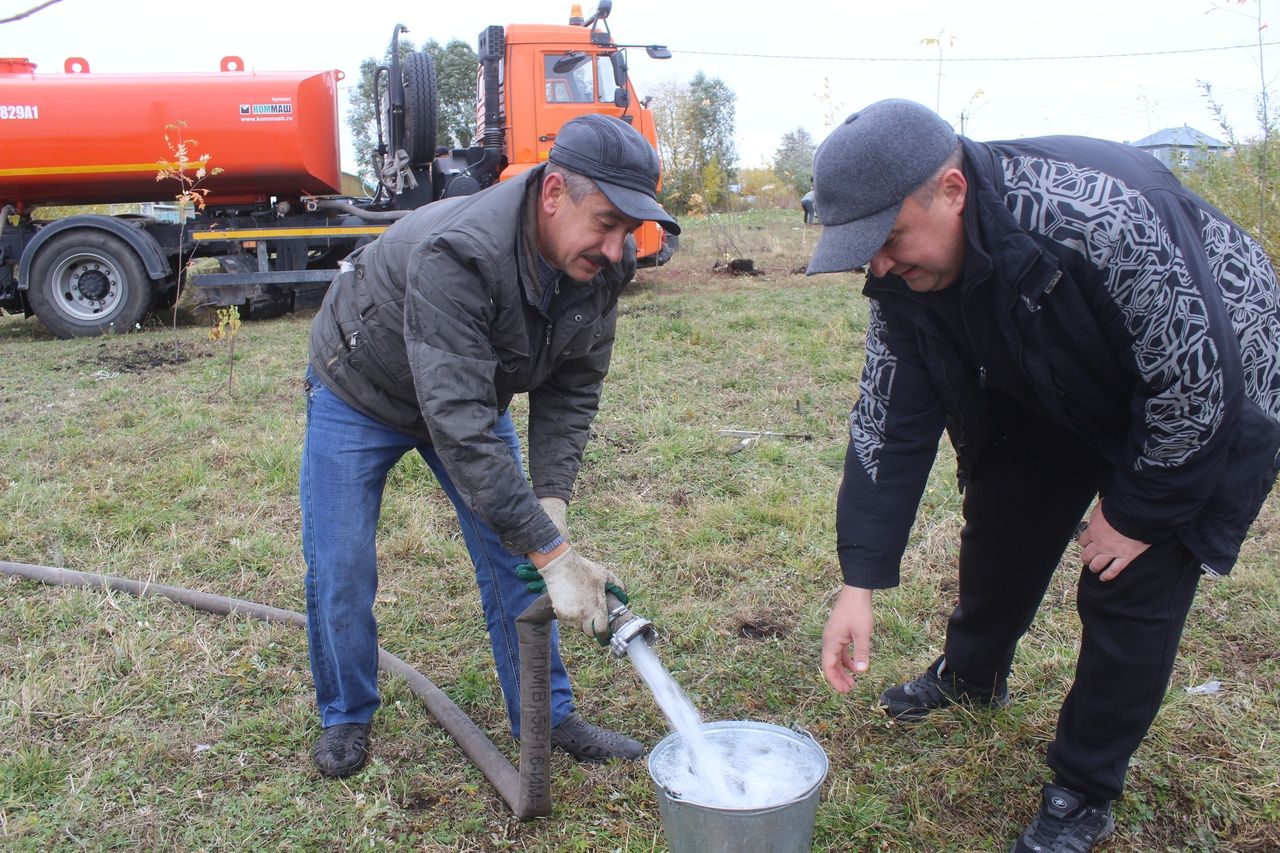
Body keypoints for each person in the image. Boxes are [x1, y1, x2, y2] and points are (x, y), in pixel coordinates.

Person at [807, 99, 1280, 852]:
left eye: (890, 237)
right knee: (1005, 508)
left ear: (953, 191)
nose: (881, 265)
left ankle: (1085, 789)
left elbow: (1198, 383)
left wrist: (1140, 510)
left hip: (1213, 372)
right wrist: (859, 577)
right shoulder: (903, 277)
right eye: (867, 249)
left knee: (1128, 576)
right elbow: (887, 420)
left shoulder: (1101, 217)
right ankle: (971, 674)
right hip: (1066, 365)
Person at [300, 114, 680, 778]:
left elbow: (571, 387)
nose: (619, 246)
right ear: (555, 192)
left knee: (521, 561)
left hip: (464, 397)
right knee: (341, 565)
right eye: (608, 223)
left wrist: (550, 509)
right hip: (360, 386)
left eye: (630, 229)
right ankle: (345, 714)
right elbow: (461, 427)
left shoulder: (602, 265)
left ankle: (548, 715)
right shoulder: (461, 252)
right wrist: (555, 553)